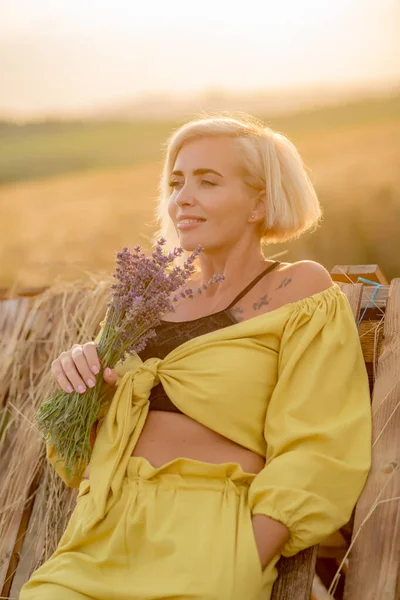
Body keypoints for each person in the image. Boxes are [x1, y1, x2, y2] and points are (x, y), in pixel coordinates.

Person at [20, 115, 372, 600]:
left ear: (260, 203)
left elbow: (320, 441)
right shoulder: (140, 300)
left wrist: (247, 550)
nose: (182, 197)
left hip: (212, 529)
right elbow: (80, 462)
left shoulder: (300, 290)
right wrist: (87, 393)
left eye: (207, 182)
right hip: (102, 531)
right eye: (176, 182)